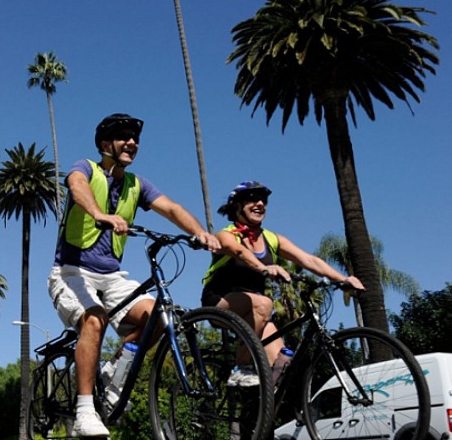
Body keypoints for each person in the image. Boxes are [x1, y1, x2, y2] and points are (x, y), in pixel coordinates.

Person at [48, 113, 220, 437]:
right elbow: (76, 186)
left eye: (135, 138)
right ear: (104, 144)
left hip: (111, 277)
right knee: (94, 319)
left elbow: (169, 207)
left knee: (158, 316)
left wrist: (200, 232)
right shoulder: (86, 167)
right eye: (123, 136)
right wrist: (100, 213)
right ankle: (85, 410)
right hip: (70, 272)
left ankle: (117, 368)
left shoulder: (136, 184)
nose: (132, 142)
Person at [201, 181, 365, 385]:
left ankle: (263, 411)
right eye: (253, 199)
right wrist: (264, 267)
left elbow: (308, 260)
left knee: (283, 364)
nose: (260, 203)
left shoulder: (271, 238)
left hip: (255, 313)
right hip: (220, 302)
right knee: (263, 303)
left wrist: (343, 280)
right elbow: (239, 251)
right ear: (237, 206)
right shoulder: (227, 234)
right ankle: (241, 368)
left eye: (264, 200)